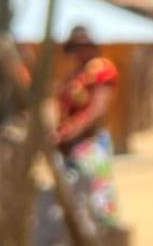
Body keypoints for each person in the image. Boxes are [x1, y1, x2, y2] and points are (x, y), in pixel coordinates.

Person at [52, 25, 122, 229]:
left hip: (90, 142)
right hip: (69, 146)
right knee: (76, 200)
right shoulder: (75, 76)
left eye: (82, 47)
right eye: (75, 48)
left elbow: (97, 109)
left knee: (100, 197)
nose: (78, 53)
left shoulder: (100, 70)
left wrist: (70, 131)